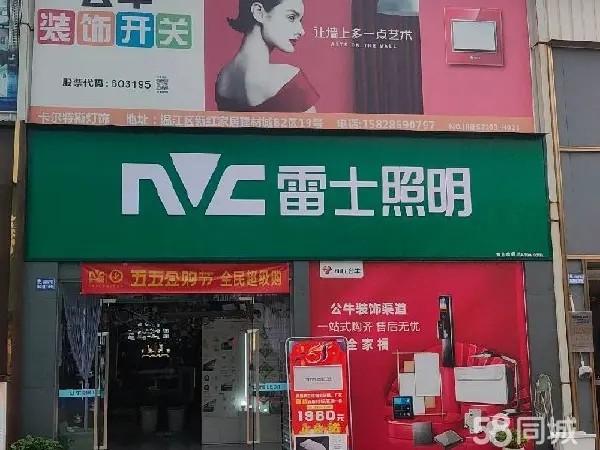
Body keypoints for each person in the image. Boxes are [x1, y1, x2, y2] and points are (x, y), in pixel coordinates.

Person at [216, 0, 319, 112]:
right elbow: (314, 123)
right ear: (258, 12)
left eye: (300, 20)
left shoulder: (223, 77)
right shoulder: (288, 79)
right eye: (291, 17)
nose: (301, 31)